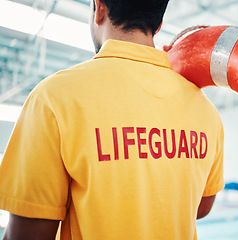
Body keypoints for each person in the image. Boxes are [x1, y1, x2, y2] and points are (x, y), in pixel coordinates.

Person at [0, 0, 224, 239]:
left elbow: (28, 233)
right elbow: (201, 207)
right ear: (158, 24)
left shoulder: (54, 97)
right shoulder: (206, 110)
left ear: (100, 8)